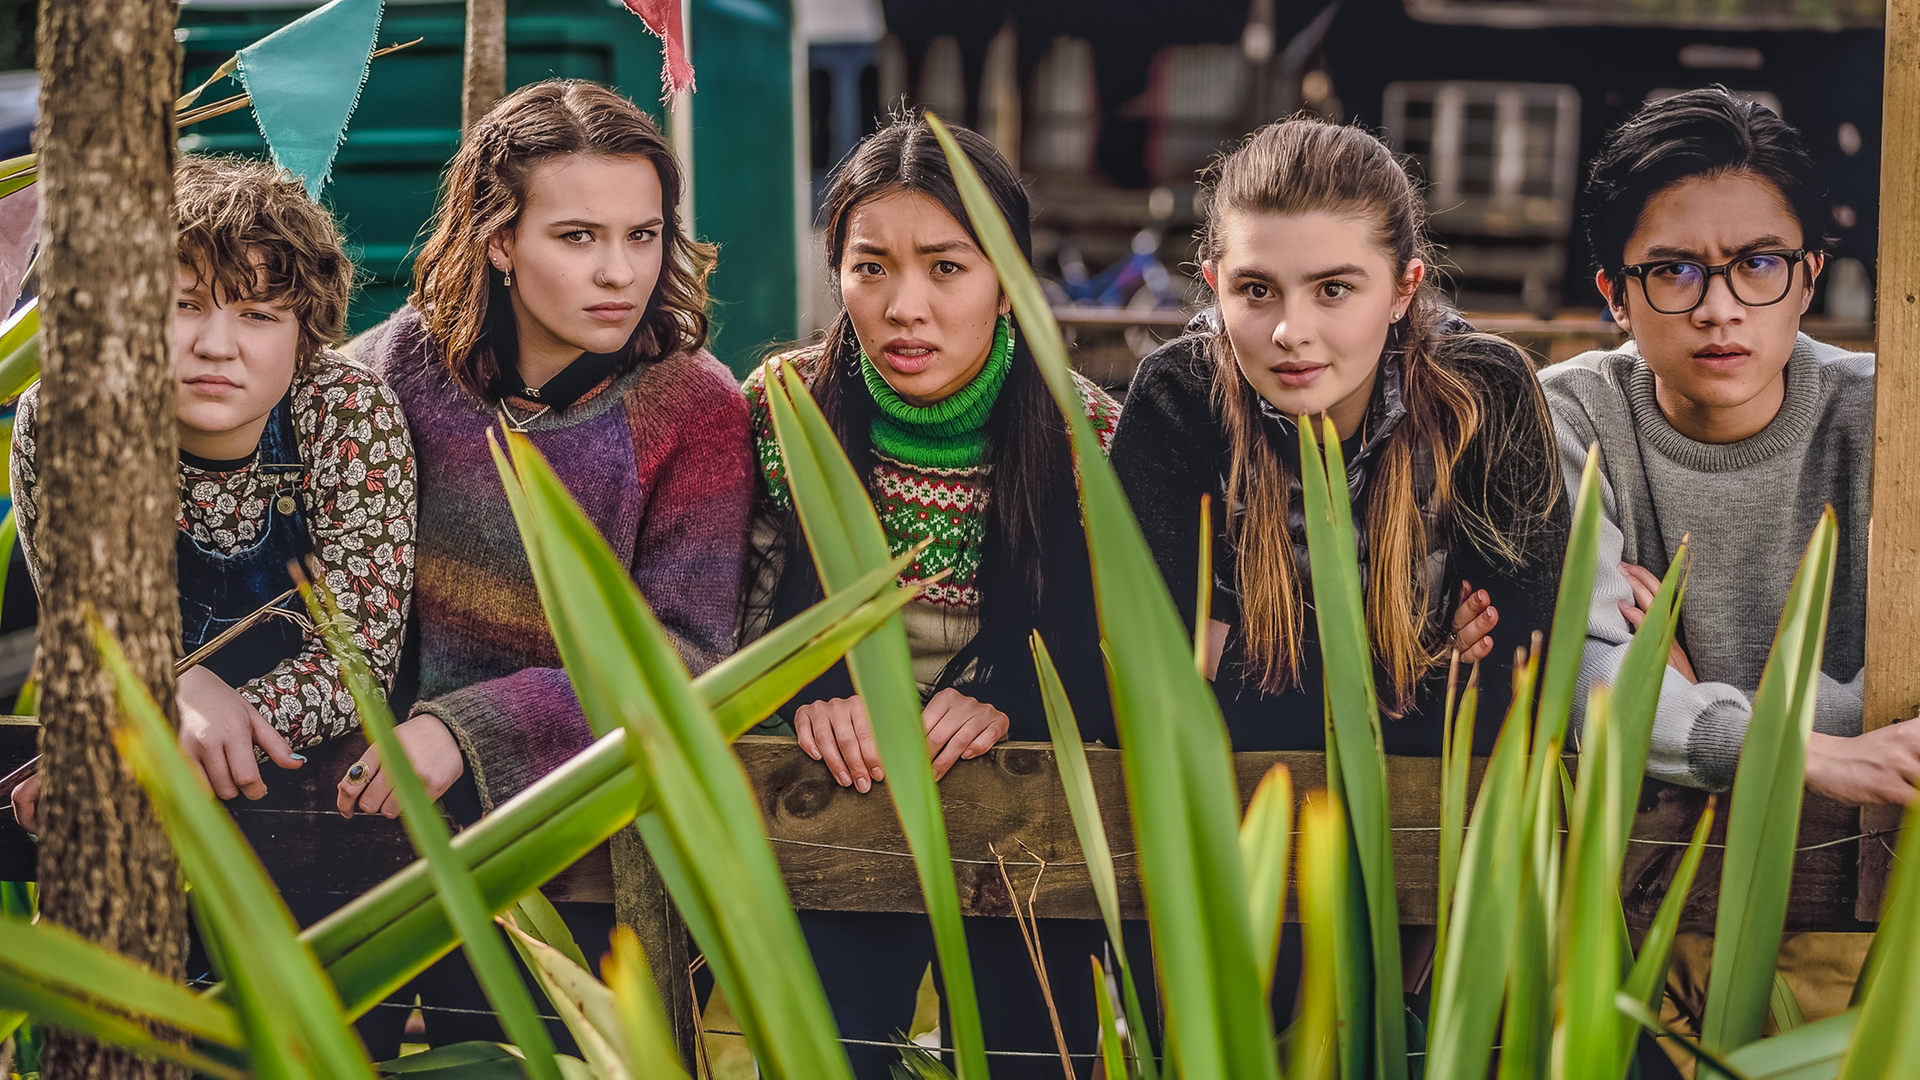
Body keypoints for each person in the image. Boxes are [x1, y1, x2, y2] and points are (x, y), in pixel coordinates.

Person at [740, 115, 1129, 1079]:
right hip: (835, 792)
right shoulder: (783, 412)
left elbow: (1117, 651)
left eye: (947, 267)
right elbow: (737, 614)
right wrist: (810, 688)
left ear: (1006, 278)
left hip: (1024, 817)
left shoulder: (1087, 435)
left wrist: (1014, 699)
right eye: (871, 267)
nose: (904, 307)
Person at [1539, 88, 1911, 1073]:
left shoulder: (1887, 418)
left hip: (1861, 932)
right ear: (1615, 293)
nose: (1718, 307)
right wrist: (1813, 750)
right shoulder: (1571, 420)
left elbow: (1908, 703)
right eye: (1672, 271)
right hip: (1628, 923)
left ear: (1808, 278)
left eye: (1758, 264)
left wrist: (1687, 705)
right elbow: (1585, 683)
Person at [348, 79, 751, 820]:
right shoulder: (392, 369)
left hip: (591, 827)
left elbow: (688, 656)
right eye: (577, 236)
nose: (619, 272)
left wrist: (466, 728)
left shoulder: (695, 409)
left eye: (643, 235)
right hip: (359, 812)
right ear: (500, 240)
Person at [1111, 117, 1567, 760]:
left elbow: (1514, 691)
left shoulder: (1484, 393)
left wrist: (1232, 657)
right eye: (1257, 290)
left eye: (1333, 289)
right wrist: (1424, 663)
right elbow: (1143, 681)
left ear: (1404, 289)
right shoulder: (1179, 397)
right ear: (1214, 286)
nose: (1290, 331)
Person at [6, 154, 417, 835]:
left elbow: (359, 660)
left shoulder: (346, 415)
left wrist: (185, 729)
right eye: (182, 305)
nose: (217, 346)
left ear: (305, 339)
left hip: (324, 795)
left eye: (258, 314)